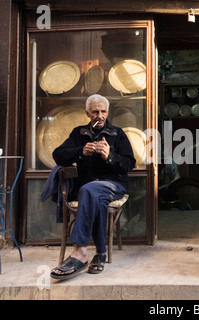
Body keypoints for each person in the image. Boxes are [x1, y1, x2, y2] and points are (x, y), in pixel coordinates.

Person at [50, 94, 136, 280]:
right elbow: (58, 155)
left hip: (114, 185)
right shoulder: (78, 133)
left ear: (107, 112)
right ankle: (100, 254)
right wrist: (80, 151)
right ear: (87, 113)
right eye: (95, 112)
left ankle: (80, 251)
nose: (100, 115)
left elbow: (130, 163)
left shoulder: (117, 134)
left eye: (103, 111)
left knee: (89, 191)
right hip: (88, 188)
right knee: (93, 195)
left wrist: (109, 156)